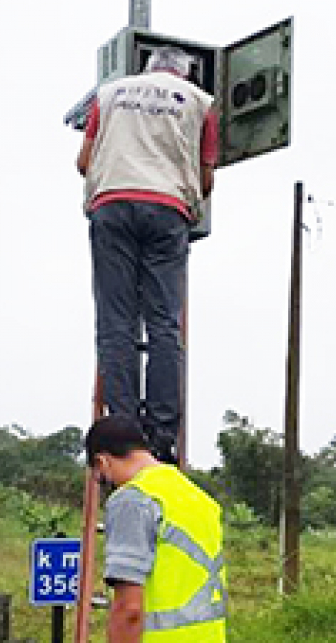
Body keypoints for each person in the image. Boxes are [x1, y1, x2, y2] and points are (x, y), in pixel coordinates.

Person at [76, 45, 219, 464]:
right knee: (164, 326)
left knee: (116, 323)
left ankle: (122, 428)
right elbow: (205, 177)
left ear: (147, 68)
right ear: (184, 75)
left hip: (113, 205)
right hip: (167, 213)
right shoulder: (200, 104)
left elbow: (84, 162)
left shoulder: (109, 95)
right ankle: (161, 434)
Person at [85, 414, 226, 643]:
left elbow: (129, 610)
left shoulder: (133, 500)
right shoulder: (198, 498)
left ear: (103, 462)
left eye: (101, 479)